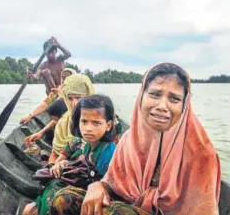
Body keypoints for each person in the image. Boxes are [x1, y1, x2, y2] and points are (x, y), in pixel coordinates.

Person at [50, 63, 221, 215]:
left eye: (174, 98)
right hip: (128, 206)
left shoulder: (201, 154)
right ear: (141, 97)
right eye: (155, 94)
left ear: (184, 105)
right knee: (64, 199)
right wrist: (99, 186)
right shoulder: (128, 142)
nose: (162, 106)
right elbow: (112, 183)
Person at [22, 94, 117, 215]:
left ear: (108, 125)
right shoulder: (84, 144)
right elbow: (71, 162)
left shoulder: (108, 152)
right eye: (84, 121)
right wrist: (62, 163)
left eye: (96, 123)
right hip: (73, 191)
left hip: (87, 202)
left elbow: (105, 188)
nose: (88, 128)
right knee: (28, 210)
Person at [49, 73, 94, 163]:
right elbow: (54, 154)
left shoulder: (100, 120)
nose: (74, 104)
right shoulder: (63, 123)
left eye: (79, 98)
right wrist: (52, 167)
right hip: (67, 167)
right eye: (70, 98)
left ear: (89, 97)